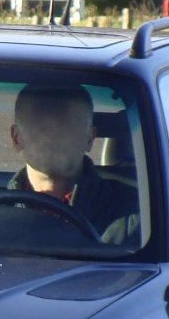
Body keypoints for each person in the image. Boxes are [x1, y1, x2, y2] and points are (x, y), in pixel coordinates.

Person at [7, 83, 140, 244]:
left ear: (90, 138)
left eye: (65, 123)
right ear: (16, 138)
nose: (52, 135)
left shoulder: (139, 216)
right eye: (42, 124)